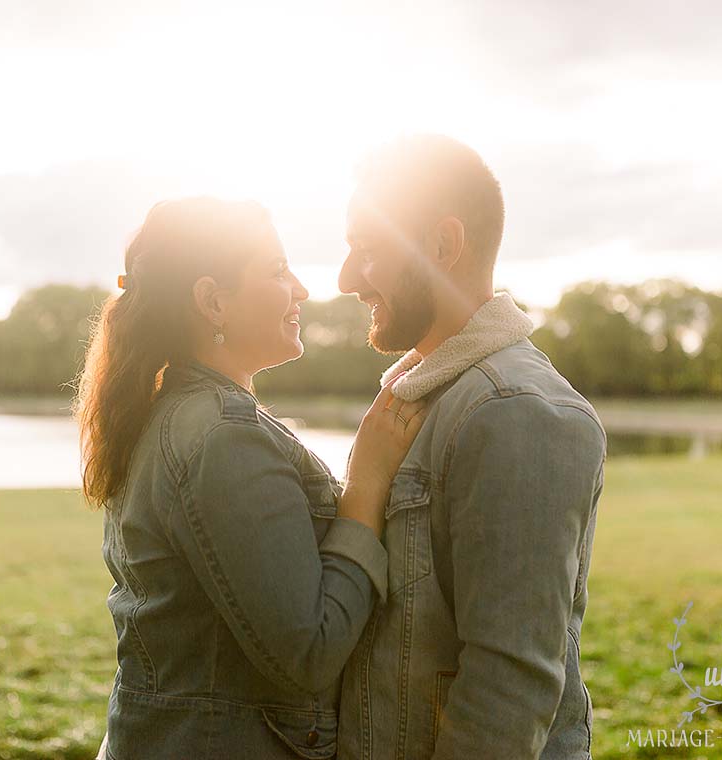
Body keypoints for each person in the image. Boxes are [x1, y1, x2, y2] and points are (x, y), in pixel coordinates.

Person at [73, 197, 427, 759]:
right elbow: (308, 651)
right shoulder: (222, 437)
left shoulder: (179, 414)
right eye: (277, 271)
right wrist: (367, 482)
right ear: (214, 301)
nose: (303, 290)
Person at [335, 135, 607, 760]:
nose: (348, 277)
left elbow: (507, 690)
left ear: (443, 245)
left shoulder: (516, 411)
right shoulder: (422, 397)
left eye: (366, 250)